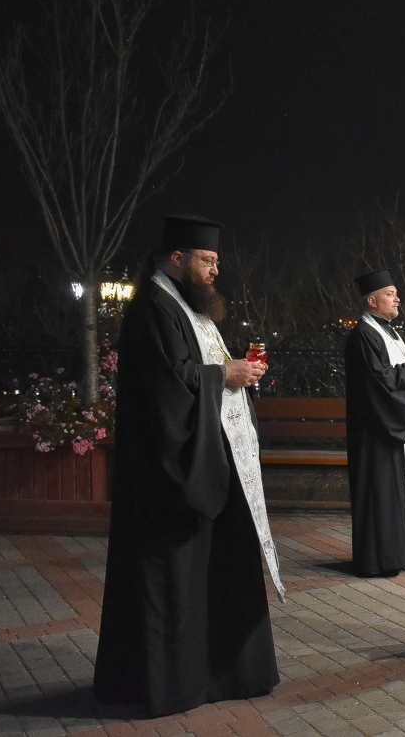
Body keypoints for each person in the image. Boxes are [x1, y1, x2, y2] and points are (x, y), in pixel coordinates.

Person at [93, 215, 284, 716]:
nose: (214, 270)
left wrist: (231, 372)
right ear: (176, 258)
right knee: (169, 579)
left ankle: (219, 674)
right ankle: (168, 684)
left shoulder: (185, 307)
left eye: (217, 261)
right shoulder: (152, 308)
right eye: (207, 260)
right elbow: (166, 388)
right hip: (166, 478)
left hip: (205, 459)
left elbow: (193, 371)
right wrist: (225, 372)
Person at [343, 269, 405, 577]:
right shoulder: (363, 335)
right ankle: (378, 559)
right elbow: (377, 381)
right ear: (372, 300)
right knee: (381, 493)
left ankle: (403, 552)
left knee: (399, 493)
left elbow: (393, 375)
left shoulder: (390, 332)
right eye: (390, 294)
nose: (398, 298)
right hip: (376, 431)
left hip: (396, 427)